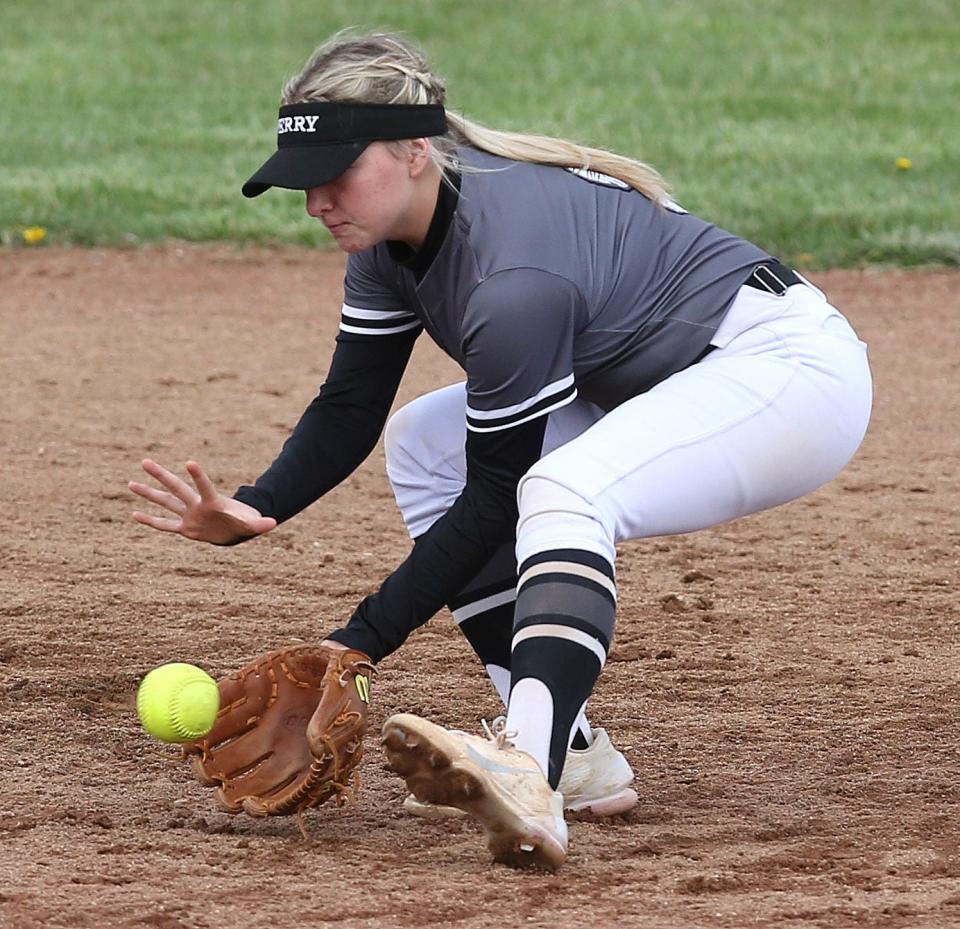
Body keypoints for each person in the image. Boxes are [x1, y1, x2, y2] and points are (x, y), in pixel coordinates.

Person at [129, 31, 872, 870]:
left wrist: (358, 639)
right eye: (306, 183)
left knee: (560, 487)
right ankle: (578, 758)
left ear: (414, 150)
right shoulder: (389, 238)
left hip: (784, 377)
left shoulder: (512, 276)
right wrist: (256, 503)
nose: (317, 204)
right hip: (662, 378)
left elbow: (496, 498)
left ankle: (531, 765)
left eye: (336, 176)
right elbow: (352, 404)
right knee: (424, 442)